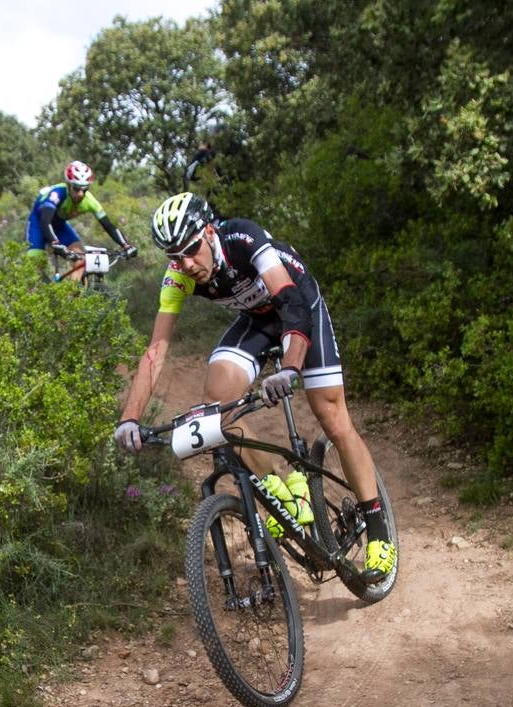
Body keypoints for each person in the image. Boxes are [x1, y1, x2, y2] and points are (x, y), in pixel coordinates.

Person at [112, 192, 396, 583]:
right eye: (176, 257)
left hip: (299, 306)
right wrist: (130, 418)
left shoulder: (243, 239)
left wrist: (290, 368)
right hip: (257, 321)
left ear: (209, 232)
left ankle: (378, 530)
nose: (187, 264)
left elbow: (291, 303)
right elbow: (155, 352)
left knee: (332, 416)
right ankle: (286, 489)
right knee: (217, 406)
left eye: (192, 249)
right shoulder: (177, 276)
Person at [26, 161, 135, 282]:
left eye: (85, 189)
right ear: (68, 185)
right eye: (76, 189)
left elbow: (109, 226)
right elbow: (45, 222)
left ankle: (71, 297)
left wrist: (126, 245)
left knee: (79, 258)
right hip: (39, 223)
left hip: (59, 225)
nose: (80, 194)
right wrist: (55, 243)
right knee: (33, 272)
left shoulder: (90, 201)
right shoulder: (57, 194)